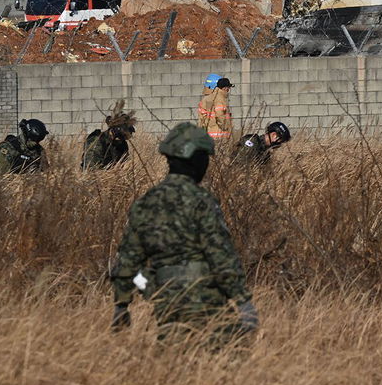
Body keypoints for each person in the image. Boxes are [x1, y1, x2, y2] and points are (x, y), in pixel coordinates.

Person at [110, 123, 257, 343]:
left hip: (165, 299)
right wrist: (243, 301)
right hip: (207, 298)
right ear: (197, 160)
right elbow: (221, 255)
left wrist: (121, 305)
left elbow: (128, 259)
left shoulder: (146, 203)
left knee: (174, 355)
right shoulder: (202, 201)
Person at [82, 102, 136, 170]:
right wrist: (113, 172)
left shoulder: (122, 144)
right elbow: (90, 169)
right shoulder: (97, 141)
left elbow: (125, 164)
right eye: (123, 136)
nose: (123, 139)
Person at [200, 77, 233, 145]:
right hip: (220, 135)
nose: (229, 90)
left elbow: (202, 118)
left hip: (211, 134)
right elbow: (219, 114)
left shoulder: (208, 98)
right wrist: (225, 127)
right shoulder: (220, 98)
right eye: (228, 88)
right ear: (225, 88)